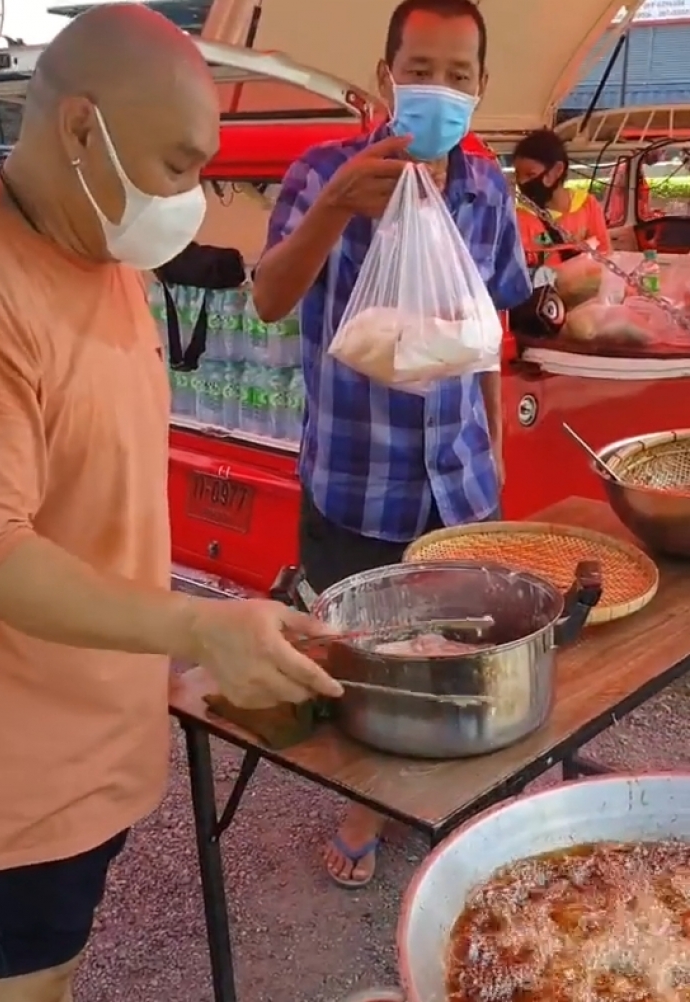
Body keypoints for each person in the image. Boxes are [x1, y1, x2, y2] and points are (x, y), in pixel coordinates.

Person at [0, 6, 342, 1002]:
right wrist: (198, 624)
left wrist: (178, 643)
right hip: (9, 760)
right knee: (28, 984)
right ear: (81, 129)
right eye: (179, 166)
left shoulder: (100, 254)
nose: (191, 198)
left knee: (60, 964)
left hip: (97, 723)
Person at [252, 0, 532, 889]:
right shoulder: (322, 173)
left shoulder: (487, 192)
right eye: (420, 70)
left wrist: (494, 443)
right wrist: (339, 205)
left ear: (480, 88)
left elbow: (487, 332)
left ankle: (441, 788)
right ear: (386, 78)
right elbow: (269, 297)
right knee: (365, 658)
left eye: (458, 75)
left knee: (454, 643)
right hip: (357, 476)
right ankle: (367, 797)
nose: (438, 89)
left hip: (461, 479)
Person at [513, 128, 611, 273]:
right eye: (518, 175)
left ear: (557, 170)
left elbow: (605, 252)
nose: (522, 182)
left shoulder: (587, 204)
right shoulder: (522, 217)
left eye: (530, 174)